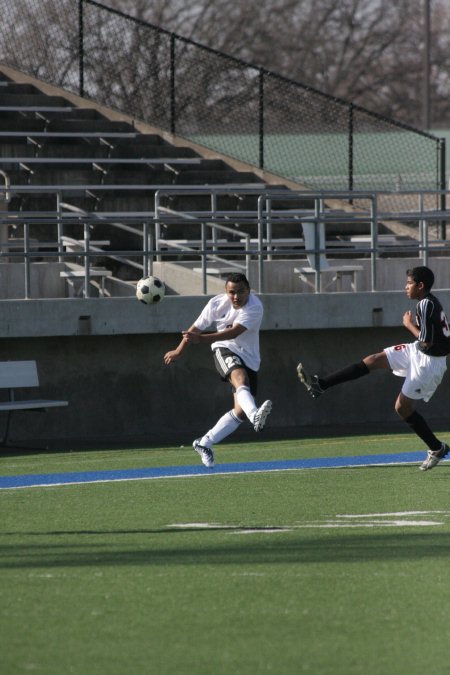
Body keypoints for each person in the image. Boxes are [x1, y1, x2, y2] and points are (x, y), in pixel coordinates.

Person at [297, 266, 449, 471]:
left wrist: (408, 324)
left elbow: (427, 341)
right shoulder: (426, 303)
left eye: (409, 283)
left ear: (420, 286)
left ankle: (436, 447)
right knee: (372, 360)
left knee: (402, 408)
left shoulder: (426, 304)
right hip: (418, 351)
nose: (406, 287)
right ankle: (320, 384)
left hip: (428, 363)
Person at [164, 272, 272, 468]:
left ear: (249, 290)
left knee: (240, 412)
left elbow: (235, 331)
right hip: (223, 348)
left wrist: (202, 339)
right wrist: (179, 350)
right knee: (241, 379)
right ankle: (255, 414)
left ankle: (204, 443)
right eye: (232, 292)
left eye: (241, 292)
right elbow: (196, 328)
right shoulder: (216, 303)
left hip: (249, 357)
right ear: (226, 292)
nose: (236, 297)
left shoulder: (255, 306)